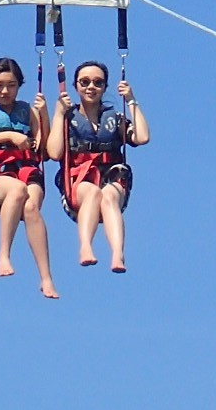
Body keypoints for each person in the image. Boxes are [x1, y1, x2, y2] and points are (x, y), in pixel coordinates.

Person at [0, 56, 58, 298]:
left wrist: (44, 114)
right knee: (17, 190)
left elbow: (45, 150)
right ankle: (4, 254)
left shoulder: (28, 111)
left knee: (32, 208)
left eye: (11, 85)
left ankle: (46, 278)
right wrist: (9, 136)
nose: (5, 91)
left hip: (27, 168)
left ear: (19, 85)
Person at [47, 60, 150, 272]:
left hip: (111, 175)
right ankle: (85, 247)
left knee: (109, 196)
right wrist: (58, 114)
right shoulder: (67, 118)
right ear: (75, 86)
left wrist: (131, 100)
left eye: (97, 82)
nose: (90, 87)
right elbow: (54, 152)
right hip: (78, 180)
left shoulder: (114, 118)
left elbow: (142, 137)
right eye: (84, 82)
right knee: (93, 193)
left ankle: (117, 254)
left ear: (104, 87)